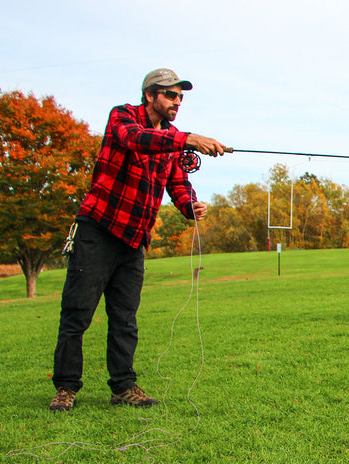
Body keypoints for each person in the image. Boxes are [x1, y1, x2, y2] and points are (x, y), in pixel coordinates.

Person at [49, 68, 225, 412]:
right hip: (97, 230)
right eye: (171, 95)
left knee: (125, 318)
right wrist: (188, 138)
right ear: (150, 95)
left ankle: (123, 387)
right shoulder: (123, 116)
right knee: (77, 314)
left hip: (134, 240)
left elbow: (177, 182)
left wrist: (191, 205)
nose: (177, 102)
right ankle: (66, 388)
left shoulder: (171, 138)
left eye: (180, 97)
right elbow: (135, 140)